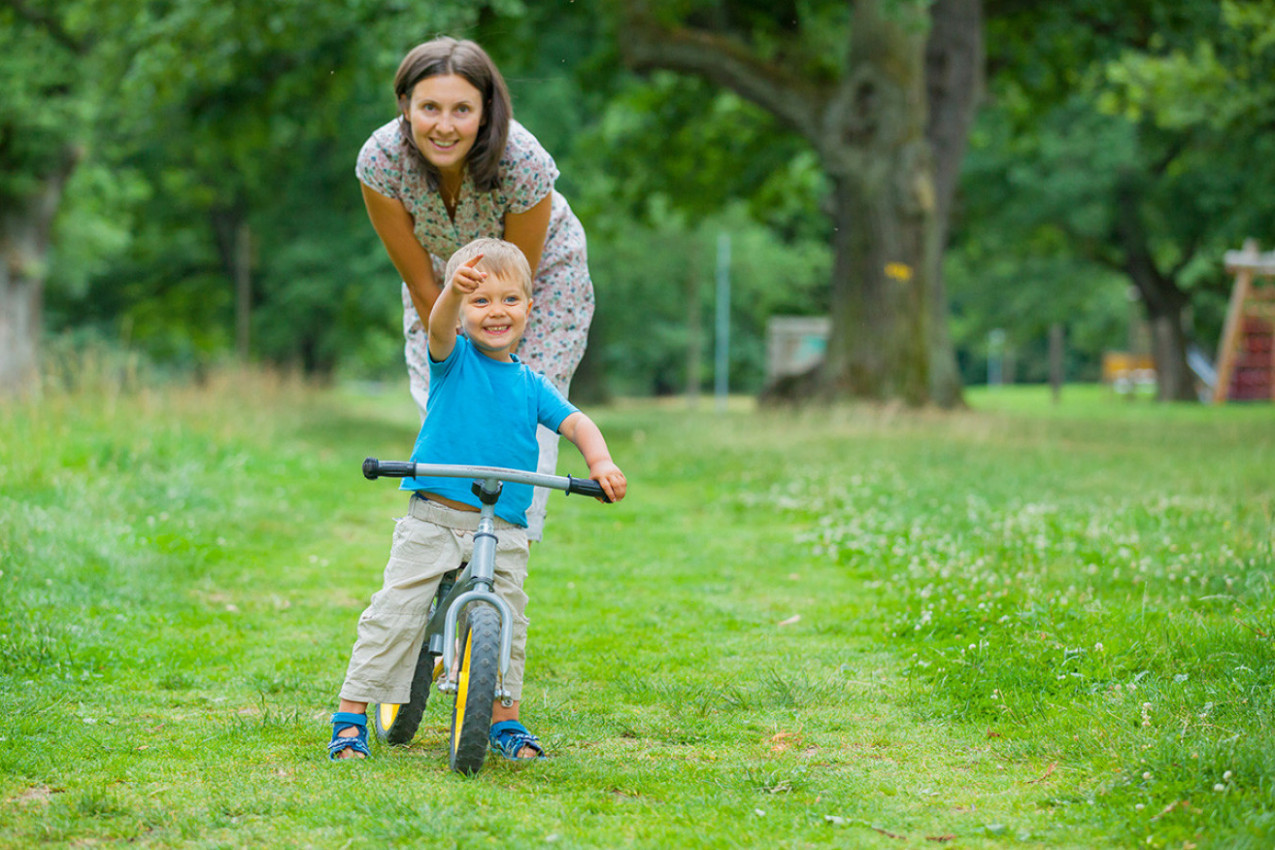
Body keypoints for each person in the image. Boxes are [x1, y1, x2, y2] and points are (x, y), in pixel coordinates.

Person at [329, 238, 627, 761]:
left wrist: (599, 461)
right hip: (435, 518)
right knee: (396, 612)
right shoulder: (454, 360)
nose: (496, 312)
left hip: (503, 526)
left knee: (508, 618)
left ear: (529, 308)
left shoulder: (533, 384)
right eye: (480, 300)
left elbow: (576, 422)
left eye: (510, 300)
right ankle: (351, 716)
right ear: (463, 311)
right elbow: (438, 328)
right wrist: (449, 292)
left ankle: (504, 721)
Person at [357, 36, 595, 543]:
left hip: (535, 282)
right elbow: (420, 280)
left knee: (519, 411)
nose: (444, 126)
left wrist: (489, 342)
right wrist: (456, 353)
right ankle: (442, 544)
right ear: (405, 105)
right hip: (442, 287)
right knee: (449, 402)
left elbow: (515, 279)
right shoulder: (380, 161)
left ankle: (505, 551)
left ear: (486, 111)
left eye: (462, 109)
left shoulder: (523, 161)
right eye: (430, 108)